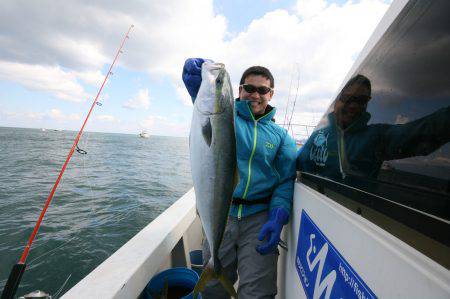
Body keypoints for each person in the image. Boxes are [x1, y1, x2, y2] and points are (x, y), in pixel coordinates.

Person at [183, 58, 297, 298]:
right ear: (240, 90)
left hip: (259, 218)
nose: (255, 94)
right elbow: (207, 112)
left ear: (271, 94)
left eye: (262, 90)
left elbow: (286, 180)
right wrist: (198, 89)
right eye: (249, 88)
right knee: (213, 289)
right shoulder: (227, 116)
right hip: (221, 213)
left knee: (258, 290)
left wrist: (278, 213)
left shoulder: (281, 136)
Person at [297, 74, 450, 182]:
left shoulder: (376, 137)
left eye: (362, 100)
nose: (354, 105)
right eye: (348, 98)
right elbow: (294, 162)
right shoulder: (318, 135)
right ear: (338, 100)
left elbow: (419, 131)